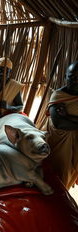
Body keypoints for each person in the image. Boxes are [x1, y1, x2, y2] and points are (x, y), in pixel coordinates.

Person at [46, 61, 78, 190]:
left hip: (75, 143)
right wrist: (65, 120)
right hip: (58, 142)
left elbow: (65, 121)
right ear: (65, 77)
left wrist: (68, 117)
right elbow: (59, 123)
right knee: (59, 173)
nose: (76, 81)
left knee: (70, 172)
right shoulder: (59, 95)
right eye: (72, 77)